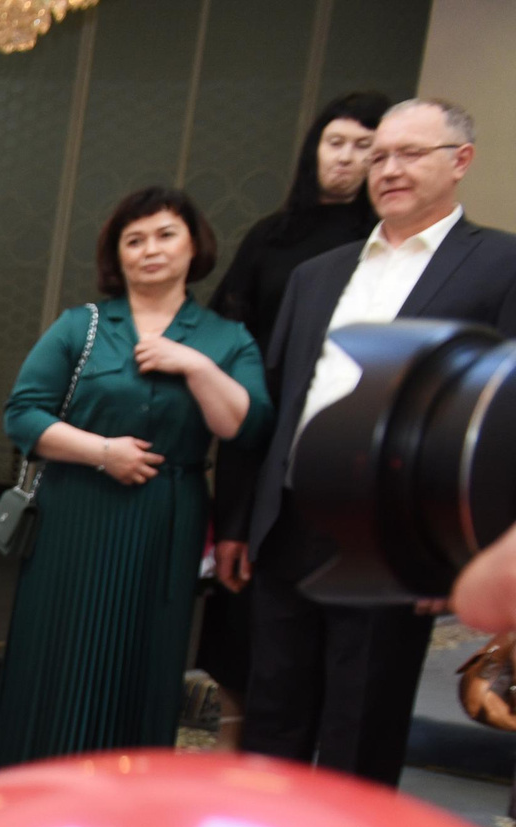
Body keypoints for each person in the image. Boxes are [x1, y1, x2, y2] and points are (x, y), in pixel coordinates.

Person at [220, 98, 516, 787]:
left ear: (461, 161)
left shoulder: (502, 265)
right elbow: (278, 402)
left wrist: (465, 547)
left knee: (361, 725)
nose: (387, 169)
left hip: (399, 535)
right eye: (378, 156)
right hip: (290, 522)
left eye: (409, 153)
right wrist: (239, 520)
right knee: (273, 714)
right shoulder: (318, 274)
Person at [0, 186, 268, 766]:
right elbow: (23, 414)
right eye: (134, 240)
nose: (150, 250)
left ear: (194, 247)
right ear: (117, 256)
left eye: (165, 235)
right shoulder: (81, 326)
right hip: (76, 511)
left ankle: (126, 791)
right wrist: (102, 451)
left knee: (148, 652)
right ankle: (35, 779)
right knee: (57, 647)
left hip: (166, 518)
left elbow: (245, 426)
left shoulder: (226, 339)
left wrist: (195, 365)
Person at [199, 91, 390, 729]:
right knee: (246, 632)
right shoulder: (272, 236)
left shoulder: (381, 244)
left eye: (364, 146)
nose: (347, 158)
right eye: (335, 143)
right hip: (263, 440)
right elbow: (231, 338)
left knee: (338, 657)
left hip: (353, 460)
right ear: (314, 150)